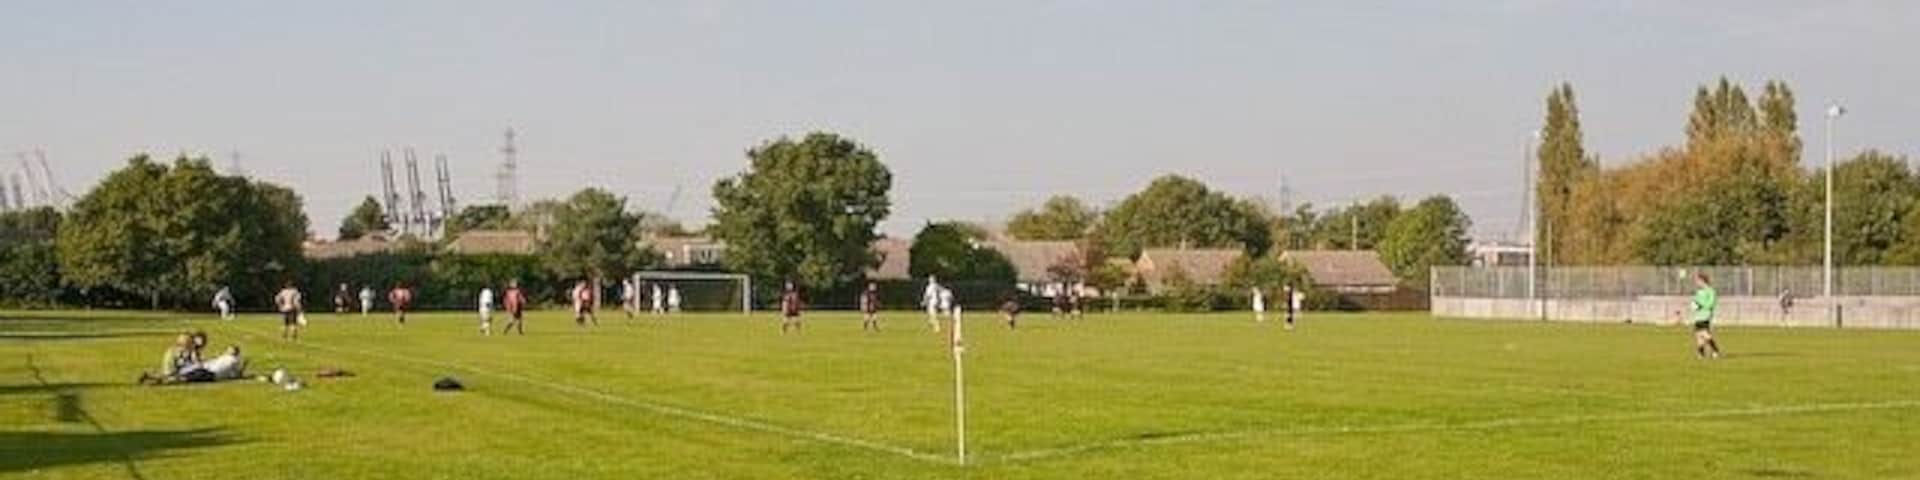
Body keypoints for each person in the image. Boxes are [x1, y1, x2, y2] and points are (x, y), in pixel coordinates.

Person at [1691, 273, 1723, 359]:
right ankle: (1701, 354)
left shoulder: (1711, 291)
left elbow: (1711, 303)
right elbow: (1695, 301)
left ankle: (1716, 350)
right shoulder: (1699, 292)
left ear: (1702, 281)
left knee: (1704, 333)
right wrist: (1694, 305)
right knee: (1699, 336)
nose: (1697, 283)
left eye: (1698, 281)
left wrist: (1701, 305)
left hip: (1705, 315)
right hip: (1697, 316)